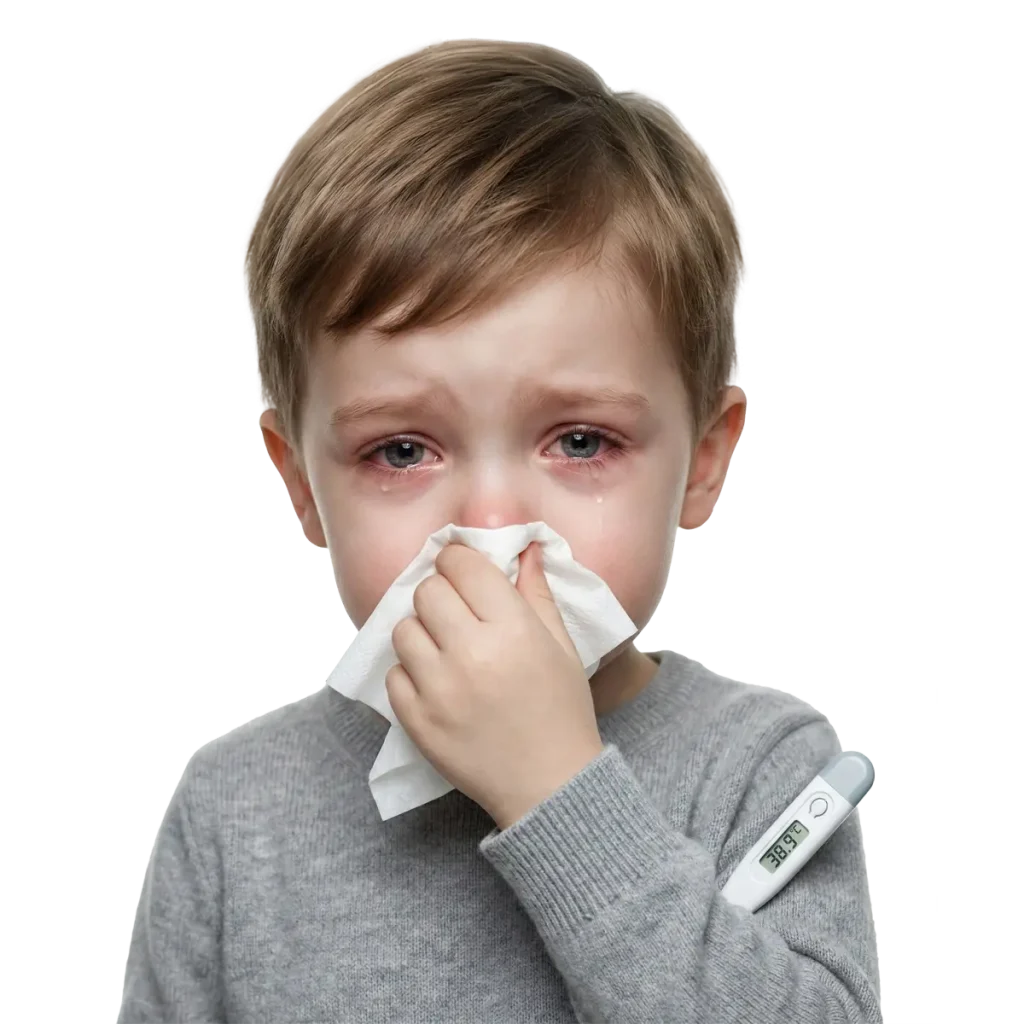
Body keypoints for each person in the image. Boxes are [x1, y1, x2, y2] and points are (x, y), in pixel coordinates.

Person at [119, 37, 881, 1022]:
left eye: (579, 441)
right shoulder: (234, 809)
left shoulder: (762, 768)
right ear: (301, 485)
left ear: (703, 460)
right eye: (401, 451)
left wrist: (558, 791)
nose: (492, 530)